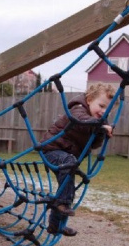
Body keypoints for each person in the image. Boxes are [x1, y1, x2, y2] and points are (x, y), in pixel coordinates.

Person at [40, 83, 116, 236]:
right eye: (100, 105)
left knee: (66, 190)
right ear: (89, 99)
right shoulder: (78, 108)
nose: (103, 111)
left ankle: (56, 226)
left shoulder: (100, 121)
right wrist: (100, 126)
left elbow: (94, 144)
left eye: (107, 109)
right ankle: (61, 205)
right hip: (52, 149)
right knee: (64, 196)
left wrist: (101, 133)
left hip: (68, 157)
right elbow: (80, 120)